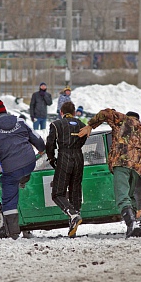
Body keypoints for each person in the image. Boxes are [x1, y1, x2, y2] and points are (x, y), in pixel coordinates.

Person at [0, 99, 46, 239]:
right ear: (5, 111)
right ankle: (23, 181)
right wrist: (41, 150)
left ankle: (13, 233)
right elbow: (37, 139)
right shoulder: (20, 122)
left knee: (9, 197)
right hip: (30, 163)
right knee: (21, 178)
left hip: (11, 170)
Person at [78, 109, 141, 238]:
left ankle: (132, 224)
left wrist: (90, 126)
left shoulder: (123, 120)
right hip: (136, 167)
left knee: (122, 197)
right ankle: (132, 228)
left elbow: (106, 112)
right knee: (130, 196)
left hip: (122, 163)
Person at [46, 101, 87, 238]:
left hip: (64, 157)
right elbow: (83, 141)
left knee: (57, 193)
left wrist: (52, 159)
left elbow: (50, 144)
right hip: (79, 158)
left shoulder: (56, 125)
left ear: (61, 112)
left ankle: (73, 215)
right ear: (74, 112)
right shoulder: (82, 125)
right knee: (75, 191)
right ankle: (73, 227)